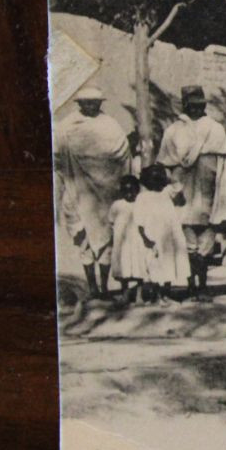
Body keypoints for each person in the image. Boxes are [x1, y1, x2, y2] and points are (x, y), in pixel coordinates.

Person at [156, 85, 226, 300]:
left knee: (206, 243)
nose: (195, 110)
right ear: (184, 106)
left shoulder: (215, 129)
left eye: (199, 106)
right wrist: (169, 188)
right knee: (187, 243)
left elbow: (225, 165)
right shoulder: (173, 131)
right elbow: (164, 164)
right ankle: (191, 286)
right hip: (182, 193)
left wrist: (224, 191)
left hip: (209, 193)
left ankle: (202, 287)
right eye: (191, 106)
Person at [54, 86, 132, 299]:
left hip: (105, 195)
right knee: (84, 241)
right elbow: (58, 159)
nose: (91, 106)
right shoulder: (66, 126)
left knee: (106, 241)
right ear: (79, 104)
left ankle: (104, 288)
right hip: (78, 191)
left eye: (95, 102)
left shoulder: (111, 125)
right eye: (87, 102)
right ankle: (92, 288)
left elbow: (123, 153)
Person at [127, 164, 189, 306]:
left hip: (167, 238)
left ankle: (165, 294)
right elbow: (139, 221)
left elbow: (178, 187)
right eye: (154, 179)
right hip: (151, 237)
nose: (157, 183)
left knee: (168, 265)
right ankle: (155, 295)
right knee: (153, 266)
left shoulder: (165, 194)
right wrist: (145, 238)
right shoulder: (142, 198)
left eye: (160, 179)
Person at [106, 174, 142, 305]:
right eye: (126, 191)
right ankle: (125, 293)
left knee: (140, 267)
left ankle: (139, 295)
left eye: (132, 191)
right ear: (122, 192)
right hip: (123, 243)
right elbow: (111, 221)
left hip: (138, 242)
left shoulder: (140, 204)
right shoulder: (117, 205)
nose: (129, 194)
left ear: (137, 190)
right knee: (124, 267)